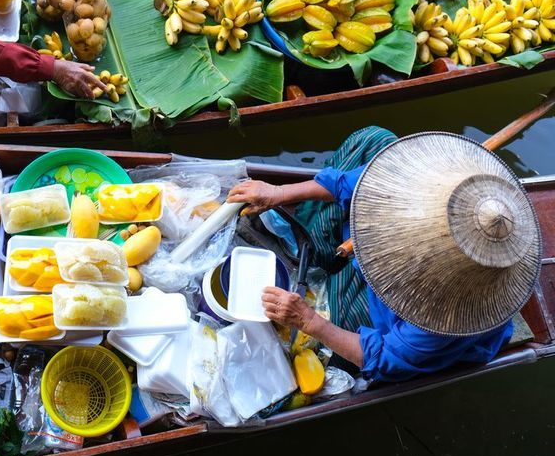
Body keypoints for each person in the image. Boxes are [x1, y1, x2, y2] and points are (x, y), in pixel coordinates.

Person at [228, 128, 541, 383]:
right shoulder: (425, 182)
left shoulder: (440, 319)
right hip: (393, 243)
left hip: (388, 318)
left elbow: (381, 358)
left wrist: (309, 321)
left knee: (336, 328)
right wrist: (278, 193)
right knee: (374, 140)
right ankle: (314, 240)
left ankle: (319, 257)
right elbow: (349, 182)